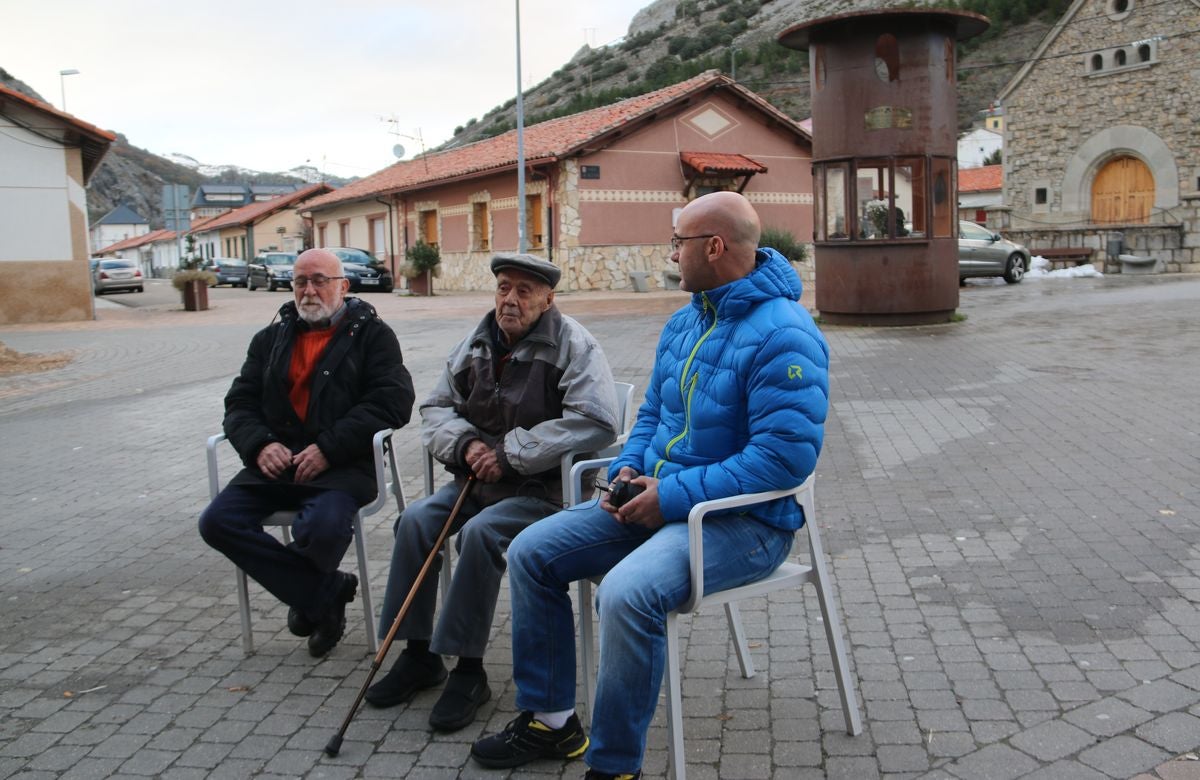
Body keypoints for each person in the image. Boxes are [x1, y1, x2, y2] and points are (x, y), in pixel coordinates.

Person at [470, 192, 830, 779]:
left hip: (748, 524)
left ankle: (614, 768)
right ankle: (552, 723)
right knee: (532, 551)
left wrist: (671, 496)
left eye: (678, 243)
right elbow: (652, 418)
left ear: (713, 248)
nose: (671, 254)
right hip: (662, 503)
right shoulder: (686, 321)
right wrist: (626, 471)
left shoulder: (786, 335)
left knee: (626, 592)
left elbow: (781, 461)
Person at [365, 252, 619, 733]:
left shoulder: (574, 344)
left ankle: (467, 668)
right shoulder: (477, 342)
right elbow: (437, 407)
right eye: (504, 287)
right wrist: (467, 445)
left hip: (544, 490)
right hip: (478, 481)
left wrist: (510, 454)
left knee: (480, 536)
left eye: (524, 291)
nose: (510, 299)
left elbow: (595, 421)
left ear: (548, 299)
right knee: (415, 522)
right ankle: (418, 654)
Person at [199, 248, 414, 658]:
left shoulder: (373, 336)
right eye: (301, 281)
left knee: (323, 528)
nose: (309, 290)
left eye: (319, 280)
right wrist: (259, 444)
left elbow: (392, 402)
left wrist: (328, 448)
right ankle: (325, 592)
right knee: (217, 521)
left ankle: (310, 599)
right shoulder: (269, 339)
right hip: (275, 469)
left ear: (343, 287)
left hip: (342, 467)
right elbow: (239, 403)